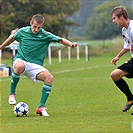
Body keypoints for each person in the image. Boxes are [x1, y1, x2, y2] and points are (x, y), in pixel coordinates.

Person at [0, 14, 77, 116]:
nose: (36, 29)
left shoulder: (45, 35)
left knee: (49, 78)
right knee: (19, 66)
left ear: (42, 26)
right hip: (21, 60)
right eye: (35, 26)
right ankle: (12, 94)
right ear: (31, 23)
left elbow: (60, 39)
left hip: (35, 66)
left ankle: (40, 107)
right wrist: (1, 47)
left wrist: (71, 44)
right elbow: (12, 37)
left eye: (39, 27)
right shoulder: (23, 31)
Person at [111, 6, 133, 112]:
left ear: (121, 17)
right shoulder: (124, 30)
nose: (113, 21)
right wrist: (118, 56)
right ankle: (130, 98)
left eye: (114, 18)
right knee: (115, 75)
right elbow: (127, 46)